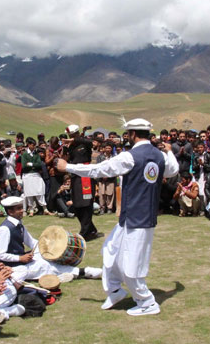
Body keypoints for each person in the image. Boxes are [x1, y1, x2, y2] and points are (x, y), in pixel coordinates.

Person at [57, 118, 179, 316]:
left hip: (138, 220)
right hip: (132, 218)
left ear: (132, 134)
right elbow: (173, 169)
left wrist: (68, 167)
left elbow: (98, 170)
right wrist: (169, 150)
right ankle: (114, 290)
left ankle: (147, 302)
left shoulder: (130, 157)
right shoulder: (159, 156)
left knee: (132, 267)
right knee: (110, 250)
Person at [0, 196, 102, 282]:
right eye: (19, 209)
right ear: (10, 212)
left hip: (22, 262)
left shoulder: (19, 224)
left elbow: (31, 242)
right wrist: (20, 258)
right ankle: (83, 272)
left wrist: (48, 249)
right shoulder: (5, 229)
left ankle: (71, 273)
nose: (22, 210)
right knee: (45, 265)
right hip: (12, 267)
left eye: (22, 207)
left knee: (46, 259)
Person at [63, 124, 100, 241]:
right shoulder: (71, 146)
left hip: (85, 176)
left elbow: (93, 144)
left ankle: (85, 232)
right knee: (77, 205)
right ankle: (91, 229)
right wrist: (66, 147)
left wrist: (75, 139)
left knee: (86, 203)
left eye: (72, 135)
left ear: (76, 134)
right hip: (75, 177)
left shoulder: (84, 142)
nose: (70, 137)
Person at [20, 138, 49, 216]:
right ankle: (31, 210)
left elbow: (39, 164)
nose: (34, 147)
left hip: (36, 175)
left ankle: (45, 209)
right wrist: (33, 165)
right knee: (29, 193)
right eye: (32, 145)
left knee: (40, 191)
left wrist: (31, 164)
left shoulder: (36, 154)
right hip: (28, 175)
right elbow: (24, 166)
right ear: (29, 145)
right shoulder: (25, 154)